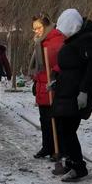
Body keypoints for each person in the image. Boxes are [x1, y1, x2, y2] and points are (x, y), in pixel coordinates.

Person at [51, 9, 92, 181]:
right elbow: (68, 70)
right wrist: (57, 82)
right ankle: (72, 162)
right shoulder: (73, 41)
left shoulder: (87, 41)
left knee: (69, 130)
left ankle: (79, 167)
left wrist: (84, 91)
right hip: (66, 92)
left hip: (76, 94)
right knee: (65, 130)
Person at [28, 13, 65, 159]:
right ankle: (47, 147)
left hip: (52, 87)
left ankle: (58, 149)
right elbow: (40, 68)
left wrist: (55, 77)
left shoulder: (56, 41)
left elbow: (61, 63)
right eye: (34, 29)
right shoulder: (40, 42)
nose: (36, 31)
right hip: (42, 86)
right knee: (44, 120)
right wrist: (36, 81)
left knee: (54, 121)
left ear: (47, 26)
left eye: (38, 28)